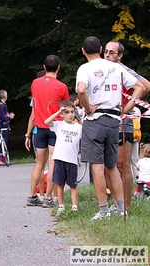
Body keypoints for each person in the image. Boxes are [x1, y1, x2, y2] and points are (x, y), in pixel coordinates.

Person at [76, 36, 146, 220]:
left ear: (83, 51)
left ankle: (104, 210)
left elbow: (81, 90)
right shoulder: (116, 67)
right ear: (100, 50)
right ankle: (122, 209)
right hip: (114, 120)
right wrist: (126, 109)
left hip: (95, 120)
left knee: (97, 167)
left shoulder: (84, 68)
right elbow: (140, 86)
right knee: (112, 165)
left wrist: (88, 108)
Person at [103, 40, 150, 209]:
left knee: (123, 165)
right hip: (104, 121)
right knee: (106, 165)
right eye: (106, 52)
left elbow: (146, 86)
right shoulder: (100, 69)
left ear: (120, 56)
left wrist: (128, 107)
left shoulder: (125, 71)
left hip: (124, 122)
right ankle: (117, 203)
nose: (108, 55)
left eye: (112, 53)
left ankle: (127, 207)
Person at [26, 55, 69, 208]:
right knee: (52, 163)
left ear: (44, 67)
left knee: (39, 163)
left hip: (39, 128)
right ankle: (48, 198)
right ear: (58, 67)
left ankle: (32, 195)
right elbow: (65, 109)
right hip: (54, 127)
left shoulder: (35, 83)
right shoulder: (62, 87)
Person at [44, 101, 82, 214]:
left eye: (72, 112)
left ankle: (74, 206)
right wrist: (58, 112)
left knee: (73, 184)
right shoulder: (59, 125)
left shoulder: (79, 127)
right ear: (62, 114)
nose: (70, 115)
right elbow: (46, 122)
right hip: (60, 157)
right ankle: (61, 205)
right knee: (60, 183)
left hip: (72, 159)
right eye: (67, 112)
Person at [25, 70, 46, 199]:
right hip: (51, 129)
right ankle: (51, 195)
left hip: (37, 131)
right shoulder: (55, 91)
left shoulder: (36, 96)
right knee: (52, 163)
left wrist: (27, 134)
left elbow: (33, 116)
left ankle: (40, 194)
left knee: (40, 164)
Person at [0, 90, 15, 165]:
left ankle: (4, 158)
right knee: (2, 142)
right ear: (4, 96)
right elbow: (2, 117)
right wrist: (9, 117)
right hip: (2, 126)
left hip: (5, 126)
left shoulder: (3, 105)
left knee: (4, 142)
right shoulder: (1, 105)